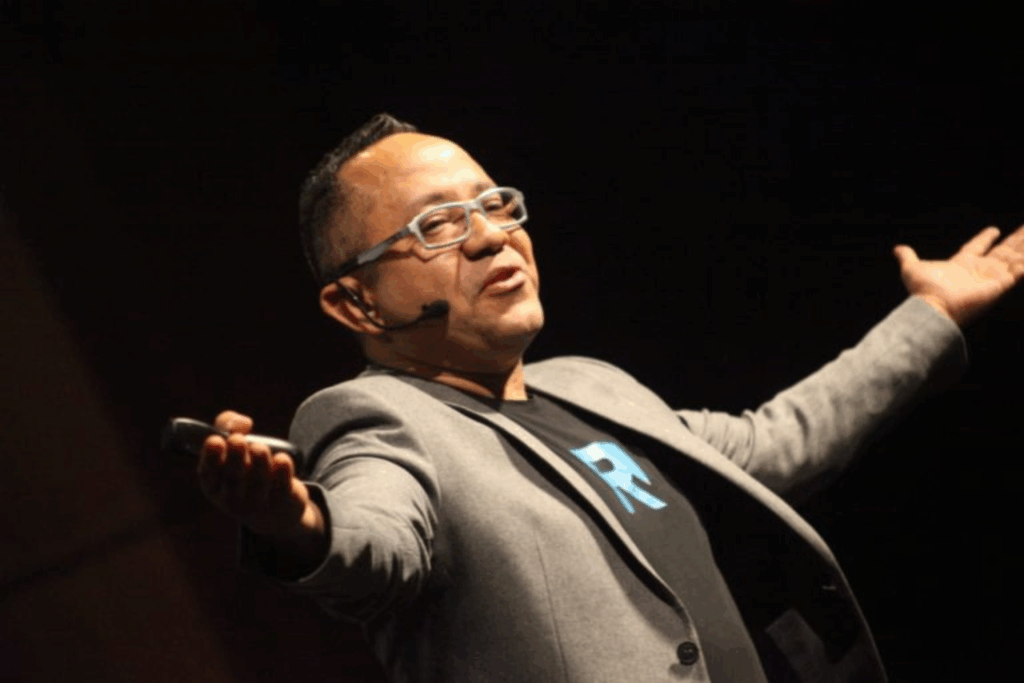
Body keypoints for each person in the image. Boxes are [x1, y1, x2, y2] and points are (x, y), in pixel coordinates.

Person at [198, 113, 1024, 682]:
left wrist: (933, 312)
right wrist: (296, 525)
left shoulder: (590, 386)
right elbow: (375, 542)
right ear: (356, 303)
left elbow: (781, 440)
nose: (491, 234)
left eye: (493, 204)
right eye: (436, 228)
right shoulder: (377, 418)